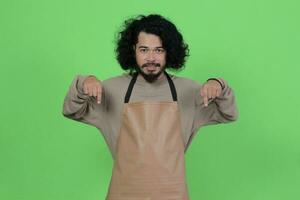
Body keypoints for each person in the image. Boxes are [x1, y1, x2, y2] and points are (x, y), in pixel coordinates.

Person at [62, 14, 238, 200]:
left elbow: (229, 113)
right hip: (124, 194)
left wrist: (218, 83)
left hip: (173, 194)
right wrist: (84, 82)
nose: (151, 58)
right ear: (133, 50)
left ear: (168, 52)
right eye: (144, 50)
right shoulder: (111, 90)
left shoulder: (189, 91)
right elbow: (71, 110)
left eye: (159, 50)